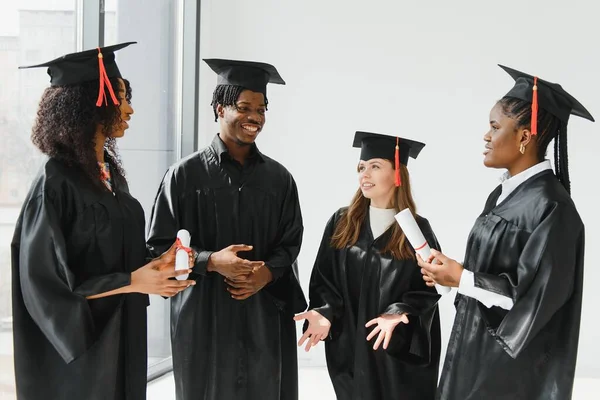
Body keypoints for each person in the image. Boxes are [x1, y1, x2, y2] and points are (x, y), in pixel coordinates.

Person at [11, 42, 195, 400]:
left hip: (122, 333)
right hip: (80, 354)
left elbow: (111, 252)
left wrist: (155, 266)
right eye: (122, 97)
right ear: (94, 102)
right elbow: (47, 285)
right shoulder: (55, 182)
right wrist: (132, 280)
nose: (129, 109)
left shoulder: (109, 174)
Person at [418, 65, 594, 400]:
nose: (486, 136)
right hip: (475, 353)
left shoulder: (553, 208)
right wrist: (451, 276)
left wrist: (464, 278)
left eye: (495, 127)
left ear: (524, 137)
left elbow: (533, 297)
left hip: (509, 373)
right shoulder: (504, 194)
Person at [146, 58, 306, 400]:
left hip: (262, 315)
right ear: (220, 108)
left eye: (261, 109)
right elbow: (158, 248)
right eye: (245, 107)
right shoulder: (184, 176)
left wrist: (267, 273)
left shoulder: (279, 179)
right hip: (203, 317)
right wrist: (210, 261)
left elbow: (290, 242)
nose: (255, 118)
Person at [295, 132, 441, 400]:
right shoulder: (342, 222)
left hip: (394, 350)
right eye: (361, 168)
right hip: (350, 346)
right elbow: (324, 279)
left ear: (398, 174)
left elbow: (428, 288)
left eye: (375, 166)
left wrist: (398, 312)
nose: (365, 174)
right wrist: (324, 311)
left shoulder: (416, 228)